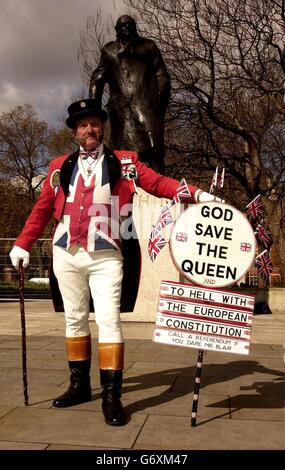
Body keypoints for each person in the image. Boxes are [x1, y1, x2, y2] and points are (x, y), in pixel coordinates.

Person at [10, 99, 221, 427]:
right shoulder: (58, 166)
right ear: (75, 132)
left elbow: (158, 183)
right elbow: (41, 209)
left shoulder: (125, 161)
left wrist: (198, 194)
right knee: (74, 321)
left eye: (94, 123)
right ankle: (79, 386)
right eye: (82, 125)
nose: (89, 129)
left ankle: (112, 395)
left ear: (102, 127)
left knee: (109, 322)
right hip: (66, 253)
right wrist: (23, 243)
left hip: (107, 255)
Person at [89, 15, 171, 174]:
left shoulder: (148, 47)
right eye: (122, 25)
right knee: (122, 157)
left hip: (148, 107)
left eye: (129, 24)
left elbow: (162, 75)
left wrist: (159, 103)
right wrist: (94, 113)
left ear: (134, 27)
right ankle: (122, 194)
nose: (126, 27)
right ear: (116, 30)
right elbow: (97, 79)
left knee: (155, 151)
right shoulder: (109, 51)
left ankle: (161, 192)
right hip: (122, 111)